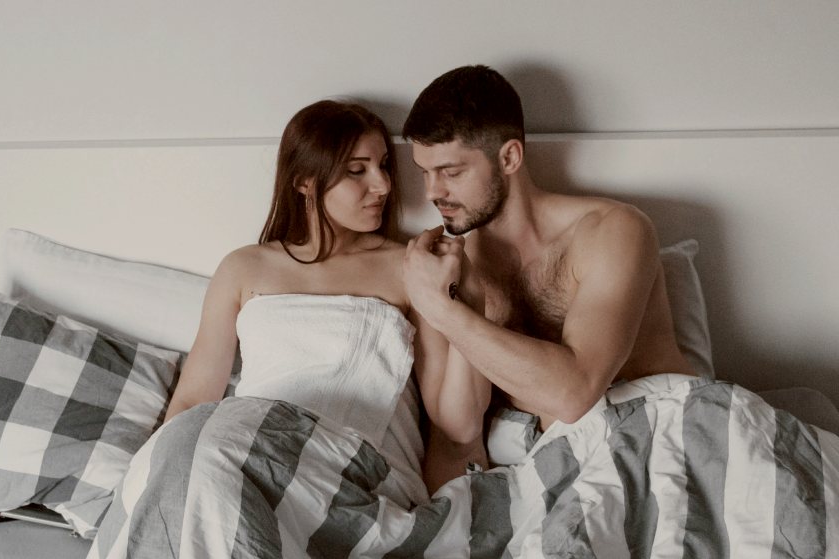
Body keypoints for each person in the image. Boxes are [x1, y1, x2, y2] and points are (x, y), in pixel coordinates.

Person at [163, 99, 486, 502]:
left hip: (357, 478)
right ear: (304, 181)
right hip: (248, 463)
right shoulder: (243, 269)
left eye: (384, 165)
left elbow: (452, 423)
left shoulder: (410, 267)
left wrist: (462, 297)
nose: (383, 184)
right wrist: (154, 483)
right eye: (357, 170)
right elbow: (194, 401)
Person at [402, 65, 696, 487]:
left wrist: (443, 311)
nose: (432, 192)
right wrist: (452, 298)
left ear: (509, 157)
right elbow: (456, 440)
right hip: (548, 473)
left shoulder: (612, 230)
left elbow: (574, 393)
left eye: (451, 172)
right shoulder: (443, 268)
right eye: (424, 172)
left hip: (657, 445)